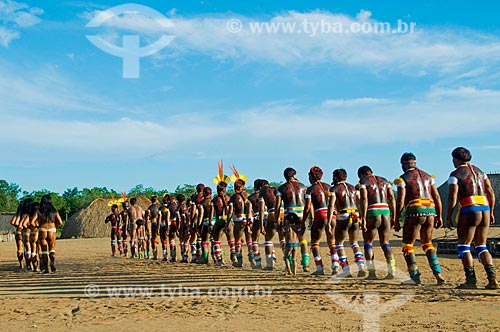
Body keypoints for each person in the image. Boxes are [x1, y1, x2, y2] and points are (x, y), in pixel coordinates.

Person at [446, 147, 498, 289]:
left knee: (464, 246)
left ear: (456, 159)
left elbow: (452, 197)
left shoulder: (455, 174)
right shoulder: (481, 172)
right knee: (482, 245)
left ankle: (471, 281)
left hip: (469, 209)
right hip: (485, 208)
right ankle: (492, 279)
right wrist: (491, 211)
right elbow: (491, 193)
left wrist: (449, 215)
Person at [394, 153, 446, 285]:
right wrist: (439, 215)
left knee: (407, 245)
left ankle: (415, 277)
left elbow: (400, 200)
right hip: (431, 211)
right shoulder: (428, 177)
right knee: (427, 243)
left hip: (415, 211)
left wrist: (396, 218)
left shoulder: (403, 178)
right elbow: (437, 197)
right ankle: (438, 274)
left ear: (404, 164)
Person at [358, 166, 396, 280]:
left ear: (362, 175)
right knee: (385, 242)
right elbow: (391, 198)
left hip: (372, 211)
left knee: (368, 243)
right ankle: (392, 271)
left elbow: (364, 199)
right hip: (386, 211)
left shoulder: (364, 182)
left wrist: (363, 217)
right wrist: (394, 215)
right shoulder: (384, 181)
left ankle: (372, 273)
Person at [329, 169, 367, 277]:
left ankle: (346, 270)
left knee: (339, 243)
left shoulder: (334, 189)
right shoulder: (353, 189)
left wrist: (328, 222)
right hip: (355, 216)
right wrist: (362, 217)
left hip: (343, 216)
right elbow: (360, 202)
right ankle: (361, 266)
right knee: (354, 243)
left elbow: (331, 206)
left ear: (336, 177)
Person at [275, 167, 310, 275]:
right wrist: (308, 218)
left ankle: (289, 266)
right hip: (301, 214)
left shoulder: (281, 188)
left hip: (289, 215)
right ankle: (305, 264)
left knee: (289, 240)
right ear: (294, 175)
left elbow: (277, 206)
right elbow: (309, 204)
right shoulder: (303, 187)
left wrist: (277, 221)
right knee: (302, 239)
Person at [302, 166, 335, 276]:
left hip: (319, 214)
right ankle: (335, 266)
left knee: (315, 242)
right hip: (332, 215)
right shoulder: (330, 187)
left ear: (311, 177)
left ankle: (319, 268)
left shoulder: (310, 189)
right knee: (332, 242)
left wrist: (303, 221)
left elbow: (307, 207)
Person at [31, 194, 63, 273]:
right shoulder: (54, 211)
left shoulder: (39, 211)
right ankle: (52, 262)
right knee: (52, 249)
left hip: (42, 229)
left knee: (44, 251)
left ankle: (46, 269)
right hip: (52, 229)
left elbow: (32, 222)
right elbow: (60, 222)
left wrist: (37, 226)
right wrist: (55, 226)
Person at [227, 165, 251, 267]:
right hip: (249, 218)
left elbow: (230, 211)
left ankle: (240, 261)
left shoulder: (233, 197)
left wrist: (228, 221)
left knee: (237, 240)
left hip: (239, 219)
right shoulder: (248, 195)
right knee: (249, 240)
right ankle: (253, 259)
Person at [259, 180, 283, 270]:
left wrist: (261, 225)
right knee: (283, 238)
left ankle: (270, 264)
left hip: (272, 213)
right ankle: (289, 263)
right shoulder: (277, 189)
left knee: (268, 239)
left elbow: (261, 209)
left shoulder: (263, 191)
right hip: (282, 213)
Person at [210, 161, 231, 266]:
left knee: (216, 241)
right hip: (229, 220)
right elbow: (231, 211)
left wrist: (211, 223)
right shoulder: (229, 198)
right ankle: (235, 258)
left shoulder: (214, 200)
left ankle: (219, 260)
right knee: (232, 241)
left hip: (219, 221)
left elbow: (212, 213)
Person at [10, 198, 32, 270]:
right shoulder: (29, 214)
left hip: (18, 232)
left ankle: (21, 264)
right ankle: (29, 264)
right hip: (27, 231)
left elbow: (13, 222)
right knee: (28, 248)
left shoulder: (19, 214)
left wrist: (18, 227)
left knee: (20, 248)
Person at [248, 179, 264, 269]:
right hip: (268, 218)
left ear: (254, 187)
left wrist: (248, 224)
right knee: (268, 240)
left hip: (257, 219)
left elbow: (249, 212)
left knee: (254, 240)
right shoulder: (268, 195)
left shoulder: (251, 198)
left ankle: (258, 263)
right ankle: (271, 261)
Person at [197, 186, 213, 264]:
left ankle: (205, 258)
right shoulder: (215, 201)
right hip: (214, 222)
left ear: (204, 193)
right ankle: (218, 257)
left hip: (206, 222)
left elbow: (200, 215)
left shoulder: (202, 203)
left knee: (204, 241)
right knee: (215, 240)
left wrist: (198, 226)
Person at [145, 195, 161, 260]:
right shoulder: (160, 206)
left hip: (154, 223)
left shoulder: (150, 208)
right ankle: (166, 255)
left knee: (153, 239)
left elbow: (147, 219)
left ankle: (155, 255)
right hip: (162, 224)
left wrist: (146, 227)